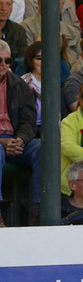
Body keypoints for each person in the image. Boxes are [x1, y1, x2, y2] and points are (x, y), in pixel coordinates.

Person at [0, 39, 39, 226]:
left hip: (15, 139)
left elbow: (29, 121)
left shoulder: (20, 86)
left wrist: (20, 139)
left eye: (8, 61)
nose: (4, 65)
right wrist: (2, 142)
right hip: (0, 142)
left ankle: (38, 213)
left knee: (43, 148)